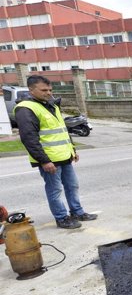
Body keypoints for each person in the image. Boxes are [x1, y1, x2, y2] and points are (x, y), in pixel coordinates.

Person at [14, 75, 98, 229]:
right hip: (50, 159)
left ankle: (77, 212)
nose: (48, 93)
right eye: (44, 90)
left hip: (64, 156)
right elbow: (29, 138)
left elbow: (62, 130)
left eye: (50, 89)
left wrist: (72, 148)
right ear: (31, 90)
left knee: (72, 186)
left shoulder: (51, 104)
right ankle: (61, 218)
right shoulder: (26, 109)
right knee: (55, 190)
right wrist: (44, 160)